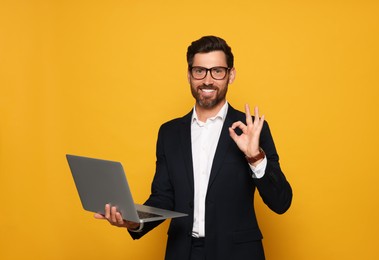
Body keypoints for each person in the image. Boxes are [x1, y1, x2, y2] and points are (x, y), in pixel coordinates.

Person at [94, 35, 293, 260]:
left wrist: (255, 157)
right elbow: (163, 198)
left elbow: (281, 202)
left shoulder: (252, 129)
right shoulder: (169, 133)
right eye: (200, 71)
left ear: (231, 75)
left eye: (217, 71)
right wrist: (134, 220)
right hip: (183, 252)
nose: (207, 80)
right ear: (189, 75)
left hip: (237, 253)